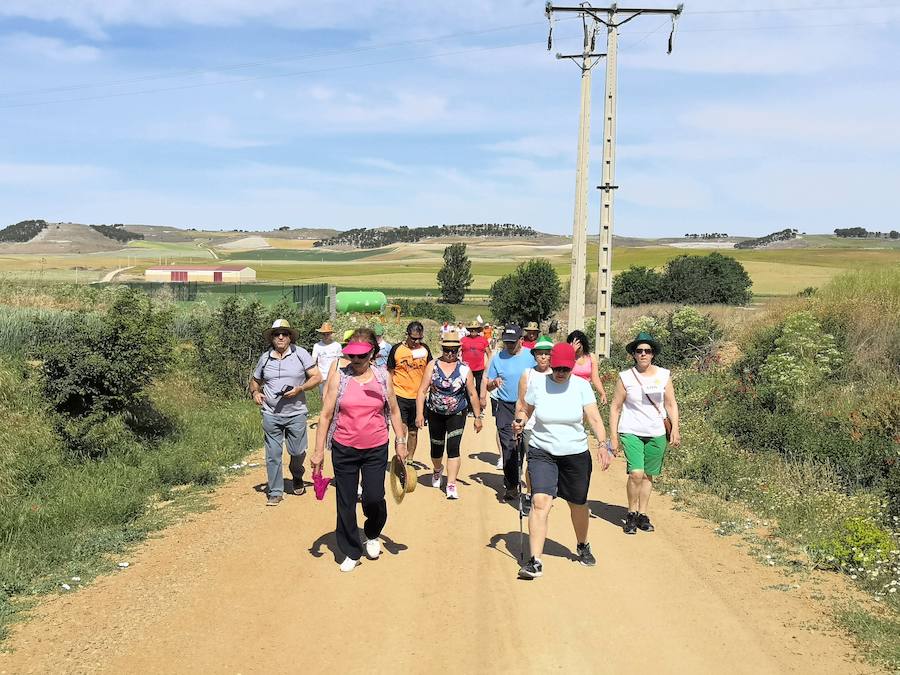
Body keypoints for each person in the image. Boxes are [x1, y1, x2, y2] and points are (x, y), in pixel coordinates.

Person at [311, 332, 407, 573]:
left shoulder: (383, 377)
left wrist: (401, 441)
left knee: (374, 497)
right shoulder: (339, 378)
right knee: (345, 500)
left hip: (375, 447)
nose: (355, 359)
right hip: (344, 448)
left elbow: (394, 411)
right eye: (351, 354)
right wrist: (318, 452)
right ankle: (352, 550)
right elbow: (325, 415)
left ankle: (372, 532)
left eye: (361, 355)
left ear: (372, 354)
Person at [513, 343, 610, 579]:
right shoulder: (539, 384)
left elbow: (594, 418)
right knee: (540, 501)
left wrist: (603, 444)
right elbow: (526, 409)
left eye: (565, 369)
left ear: (572, 367)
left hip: (574, 453)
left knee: (577, 503)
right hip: (542, 450)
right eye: (556, 368)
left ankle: (582, 543)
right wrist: (520, 420)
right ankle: (535, 561)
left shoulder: (581, 386)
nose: (560, 373)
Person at [608, 332, 681, 535]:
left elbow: (670, 403)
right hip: (631, 429)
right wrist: (613, 436)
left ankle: (643, 514)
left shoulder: (663, 375)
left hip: (656, 431)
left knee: (648, 475)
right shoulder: (626, 377)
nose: (643, 354)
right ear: (633, 354)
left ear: (653, 354)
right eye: (639, 351)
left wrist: (675, 428)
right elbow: (615, 407)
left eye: (647, 351)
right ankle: (631, 513)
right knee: (636, 473)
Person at [250, 319, 322, 506]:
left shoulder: (301, 354)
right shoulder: (265, 358)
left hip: (296, 413)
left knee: (297, 451)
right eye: (276, 334)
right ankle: (275, 491)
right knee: (273, 454)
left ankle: (297, 474)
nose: (280, 337)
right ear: (272, 338)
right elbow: (255, 381)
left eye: (284, 333)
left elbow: (317, 377)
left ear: (290, 337)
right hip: (271, 413)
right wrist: (255, 392)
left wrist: (300, 389)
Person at [415, 331, 483, 499]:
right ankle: (438, 469)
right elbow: (422, 391)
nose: (450, 354)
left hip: (457, 413)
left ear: (458, 350)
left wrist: (477, 417)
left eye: (453, 350)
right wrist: (419, 414)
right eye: (447, 350)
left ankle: (451, 484)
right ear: (442, 349)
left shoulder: (464, 369)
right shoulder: (432, 365)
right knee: (436, 449)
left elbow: (472, 394)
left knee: (453, 448)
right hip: (435, 413)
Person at [484, 325, 536, 500]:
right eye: (506, 342)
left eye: (512, 342)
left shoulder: (532, 356)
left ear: (521, 340)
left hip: (528, 406)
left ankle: (533, 486)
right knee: (509, 446)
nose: (509, 346)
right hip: (505, 406)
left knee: (527, 445)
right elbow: (488, 383)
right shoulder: (498, 358)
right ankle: (512, 484)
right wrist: (493, 383)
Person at [387, 321, 433, 467]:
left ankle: (410, 459)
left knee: (413, 431)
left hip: (418, 397)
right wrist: (390, 392)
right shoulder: (396, 349)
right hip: (400, 395)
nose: (417, 341)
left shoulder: (425, 350)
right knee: (402, 430)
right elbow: (390, 372)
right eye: (413, 338)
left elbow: (431, 369)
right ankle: (400, 458)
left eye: (420, 338)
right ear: (407, 335)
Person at [515, 335, 554, 452]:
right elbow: (521, 402)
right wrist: (518, 424)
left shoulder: (557, 375)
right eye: (540, 353)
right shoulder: (527, 374)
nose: (543, 357)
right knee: (533, 462)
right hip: (530, 425)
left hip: (551, 428)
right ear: (535, 356)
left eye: (547, 354)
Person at [567, 330, 609, 406]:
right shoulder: (567, 358)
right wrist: (571, 353)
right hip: (570, 392)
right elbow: (565, 373)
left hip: (586, 393)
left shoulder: (591, 357)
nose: (577, 350)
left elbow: (595, 378)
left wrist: (602, 393)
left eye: (579, 347)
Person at [461, 320, 491, 403]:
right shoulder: (463, 340)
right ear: (469, 330)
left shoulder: (483, 340)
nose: (473, 331)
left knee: (479, 388)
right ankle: (468, 407)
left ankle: (478, 406)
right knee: (467, 388)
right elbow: (457, 352)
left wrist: (488, 365)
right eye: (471, 329)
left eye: (475, 329)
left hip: (479, 368)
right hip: (466, 369)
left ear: (478, 330)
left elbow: (489, 353)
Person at [312, 322, 343, 397]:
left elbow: (340, 361)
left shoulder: (337, 346)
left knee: (335, 396)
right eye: (324, 334)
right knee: (323, 396)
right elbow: (313, 361)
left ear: (331, 334)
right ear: (321, 334)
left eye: (328, 334)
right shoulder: (317, 346)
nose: (326, 336)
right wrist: (316, 375)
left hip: (334, 376)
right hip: (322, 376)